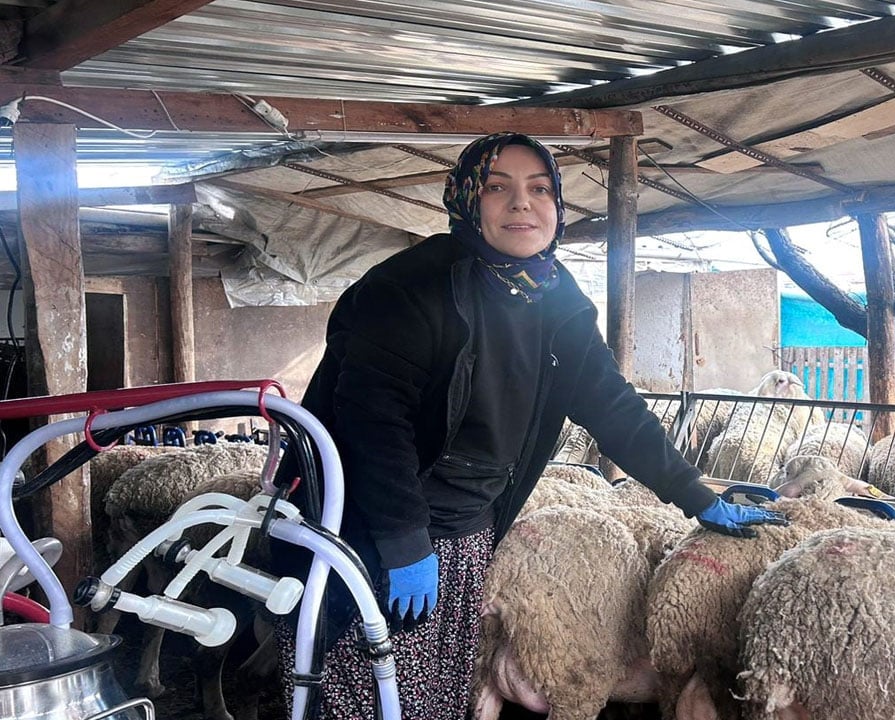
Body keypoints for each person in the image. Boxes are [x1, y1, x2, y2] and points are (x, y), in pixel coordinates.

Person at [274, 132, 786, 719]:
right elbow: (372, 422)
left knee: (438, 694)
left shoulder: (555, 296)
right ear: (467, 200)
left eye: (539, 189)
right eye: (498, 188)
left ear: (558, 205)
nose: (522, 203)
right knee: (362, 688)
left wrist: (696, 495)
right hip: (365, 525)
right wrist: (403, 539)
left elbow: (611, 405)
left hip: (467, 527)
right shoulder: (409, 288)